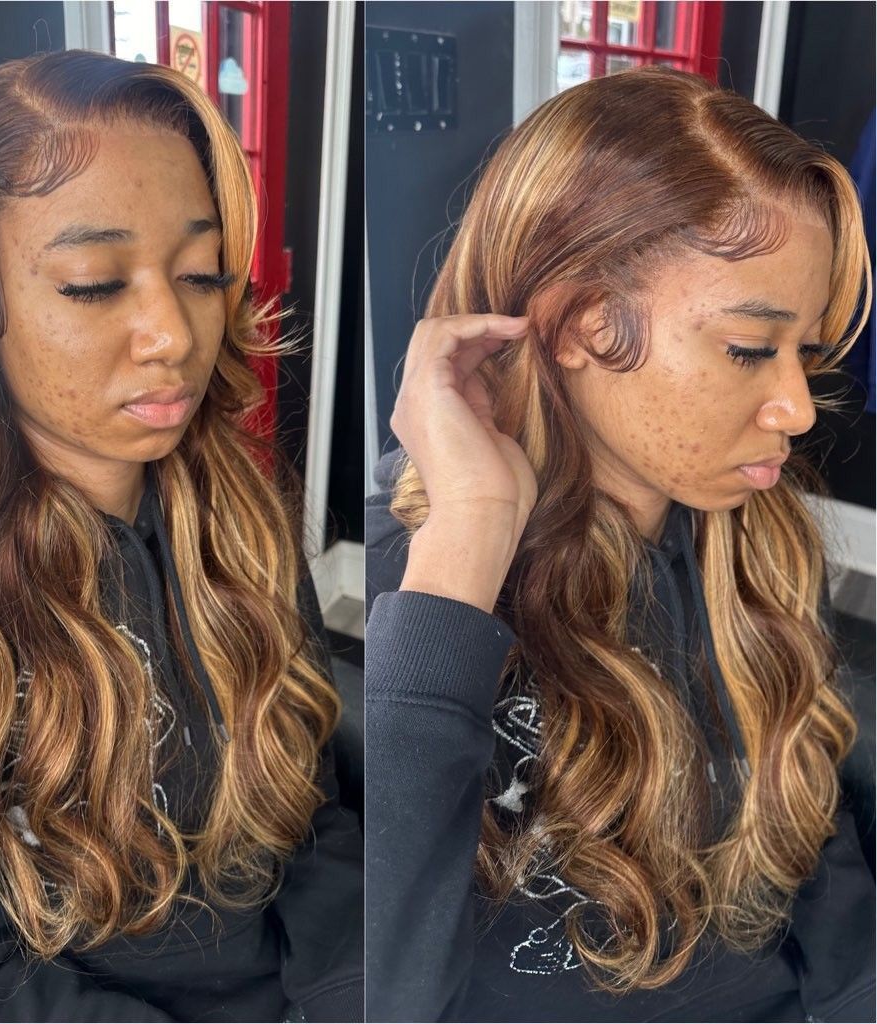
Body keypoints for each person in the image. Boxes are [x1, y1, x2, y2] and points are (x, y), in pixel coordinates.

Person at [0, 50, 363, 1022]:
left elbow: (316, 813)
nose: (172, 331)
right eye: (93, 283)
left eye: (202, 272)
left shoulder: (239, 519)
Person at [365, 66, 874, 1023]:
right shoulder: (424, 589)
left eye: (805, 350)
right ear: (579, 326)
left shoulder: (756, 550)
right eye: (748, 348)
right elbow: (386, 988)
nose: (798, 408)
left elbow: (829, 887)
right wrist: (470, 534)